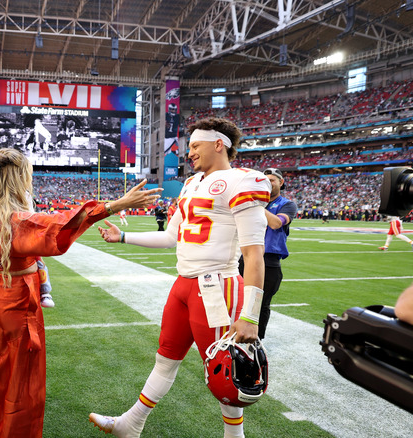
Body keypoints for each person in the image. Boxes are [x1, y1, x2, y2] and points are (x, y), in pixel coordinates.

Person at [89, 117, 271, 438]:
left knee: (225, 373)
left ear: (219, 144)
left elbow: (254, 255)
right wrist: (123, 239)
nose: (189, 154)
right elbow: (171, 237)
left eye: (195, 146)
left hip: (217, 286)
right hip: (184, 285)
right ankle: (131, 424)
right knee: (165, 359)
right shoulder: (191, 184)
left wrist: (250, 316)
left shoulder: (244, 181)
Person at [0, 148, 161, 438]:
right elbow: (62, 225)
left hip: (4, 294)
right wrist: (118, 203)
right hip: (19, 302)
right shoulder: (16, 220)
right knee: (22, 386)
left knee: (4, 377)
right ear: (19, 177)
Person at [238, 168, 297, 339]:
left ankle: (256, 342)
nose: (268, 183)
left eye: (272, 180)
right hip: (245, 257)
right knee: (239, 300)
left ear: (281, 182)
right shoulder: (254, 202)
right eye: (265, 179)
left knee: (261, 304)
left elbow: (276, 223)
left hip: (269, 261)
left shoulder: (287, 204)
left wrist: (254, 204)